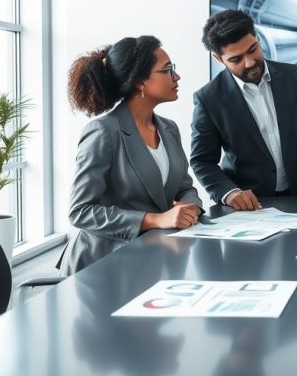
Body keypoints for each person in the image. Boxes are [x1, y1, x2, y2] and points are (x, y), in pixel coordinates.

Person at [58, 35, 203, 274]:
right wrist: (155, 220)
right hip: (102, 264)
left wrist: (190, 208)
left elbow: (184, 187)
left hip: (152, 256)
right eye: (167, 70)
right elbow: (80, 211)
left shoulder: (169, 128)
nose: (176, 77)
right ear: (140, 82)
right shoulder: (103, 132)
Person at [190, 9, 297, 213]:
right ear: (218, 58)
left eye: (252, 49)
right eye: (236, 59)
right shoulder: (208, 99)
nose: (249, 63)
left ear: (258, 38)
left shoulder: (293, 76)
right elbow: (202, 161)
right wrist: (229, 193)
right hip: (247, 208)